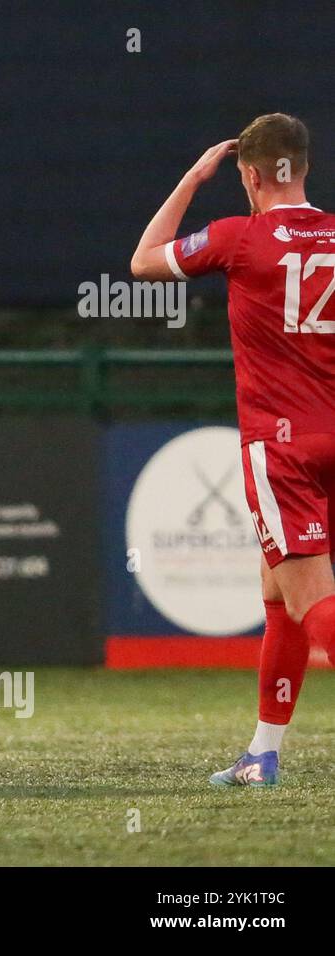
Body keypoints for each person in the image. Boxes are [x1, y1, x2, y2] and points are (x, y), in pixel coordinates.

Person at [131, 113, 335, 787]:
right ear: (302, 166)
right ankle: (262, 754)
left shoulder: (239, 237)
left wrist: (192, 178)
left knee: (312, 604)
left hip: (283, 447)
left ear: (249, 175)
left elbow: (143, 260)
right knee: (276, 591)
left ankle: (263, 756)